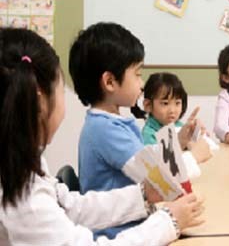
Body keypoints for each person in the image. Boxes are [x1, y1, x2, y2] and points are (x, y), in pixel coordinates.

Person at [0, 27, 204, 245]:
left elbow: (70, 206)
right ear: (40, 100)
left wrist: (144, 195)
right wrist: (168, 221)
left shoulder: (21, 163)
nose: (142, 82)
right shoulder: (25, 200)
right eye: (60, 90)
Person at [70, 22, 201, 239]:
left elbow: (147, 160)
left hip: (135, 224)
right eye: (138, 74)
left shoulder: (109, 123)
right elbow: (157, 179)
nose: (141, 84)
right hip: (119, 233)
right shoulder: (105, 129)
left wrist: (179, 144)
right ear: (110, 82)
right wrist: (194, 156)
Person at [135, 72, 212, 166]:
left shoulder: (179, 126)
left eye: (177, 103)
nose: (172, 110)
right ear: (148, 105)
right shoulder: (149, 135)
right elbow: (160, 166)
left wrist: (199, 134)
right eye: (165, 103)